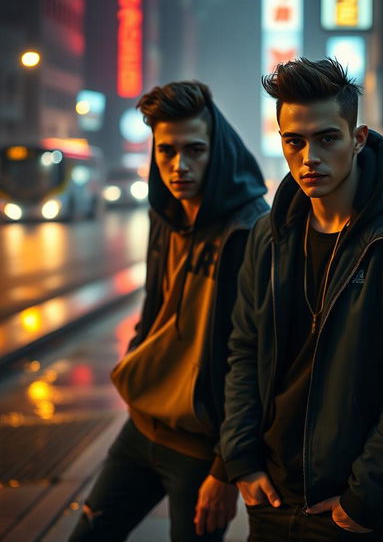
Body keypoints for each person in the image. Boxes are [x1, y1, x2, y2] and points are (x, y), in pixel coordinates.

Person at [217, 58, 383, 541]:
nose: (309, 158)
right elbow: (244, 350)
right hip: (268, 493)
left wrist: (366, 497)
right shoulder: (268, 236)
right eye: (294, 142)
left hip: (345, 509)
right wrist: (241, 458)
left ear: (359, 137)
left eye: (327, 138)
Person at [69, 81, 268, 541]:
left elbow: (256, 358)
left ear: (217, 149)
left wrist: (226, 466)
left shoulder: (251, 229)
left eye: (194, 150)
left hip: (201, 450)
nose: (180, 166)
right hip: (141, 428)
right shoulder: (164, 213)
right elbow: (153, 309)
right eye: (167, 151)